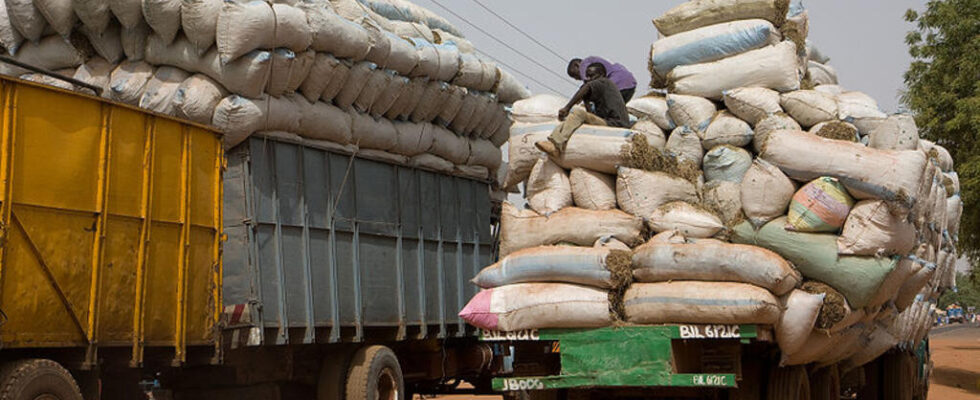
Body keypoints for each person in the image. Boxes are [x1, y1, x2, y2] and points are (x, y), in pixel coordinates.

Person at [537, 62, 630, 156]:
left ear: (602, 75)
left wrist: (567, 108)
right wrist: (586, 99)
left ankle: (557, 145)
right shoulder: (599, 92)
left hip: (617, 124)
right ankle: (552, 140)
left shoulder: (605, 82)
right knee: (571, 119)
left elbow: (586, 88)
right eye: (587, 77)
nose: (588, 79)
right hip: (608, 122)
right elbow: (590, 113)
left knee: (578, 112)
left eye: (591, 76)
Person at [567, 56, 637, 103]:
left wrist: (571, 104)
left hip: (618, 85)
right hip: (630, 86)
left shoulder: (584, 64)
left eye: (575, 75)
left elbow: (587, 85)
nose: (577, 79)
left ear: (577, 65)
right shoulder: (593, 61)